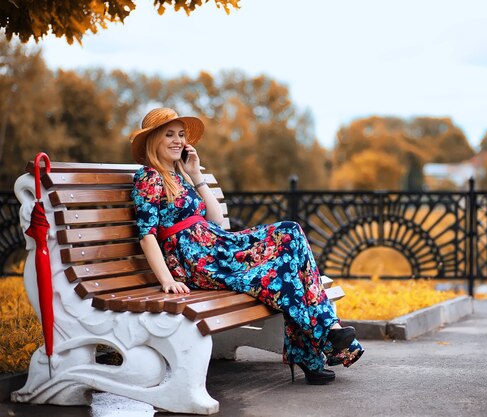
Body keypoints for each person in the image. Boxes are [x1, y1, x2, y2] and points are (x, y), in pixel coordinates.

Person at [129, 107, 364, 385]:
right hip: (198, 261)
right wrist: (167, 280)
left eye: (181, 135)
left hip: (216, 245)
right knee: (283, 263)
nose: (178, 140)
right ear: (152, 140)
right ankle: (322, 339)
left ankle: (321, 342)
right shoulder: (149, 178)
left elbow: (216, 220)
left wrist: (196, 176)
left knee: (290, 234)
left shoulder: (181, 177)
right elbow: (147, 234)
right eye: (169, 135)